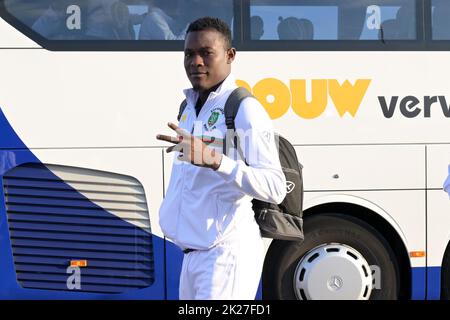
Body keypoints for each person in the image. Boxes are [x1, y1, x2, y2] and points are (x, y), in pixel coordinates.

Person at [156, 17, 286, 299]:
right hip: (192, 256)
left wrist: (216, 161)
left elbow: (275, 187)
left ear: (230, 55)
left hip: (226, 255)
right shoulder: (188, 107)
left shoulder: (244, 108)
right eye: (189, 54)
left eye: (206, 53)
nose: (196, 62)